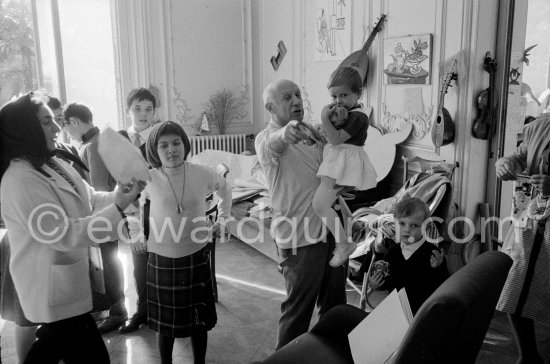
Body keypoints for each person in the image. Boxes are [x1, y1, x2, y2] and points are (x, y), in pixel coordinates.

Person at [0, 92, 144, 363]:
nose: (57, 127)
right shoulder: (20, 179)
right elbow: (63, 234)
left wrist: (120, 194)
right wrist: (118, 208)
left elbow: (90, 199)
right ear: (24, 129)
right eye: (46, 122)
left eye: (55, 120)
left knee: (57, 349)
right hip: (49, 288)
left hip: (66, 289)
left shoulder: (51, 163)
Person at [255, 79, 348, 350]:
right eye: (287, 97)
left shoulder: (314, 134)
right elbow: (276, 142)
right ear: (270, 108)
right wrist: (286, 133)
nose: (296, 100)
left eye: (297, 94)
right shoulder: (266, 139)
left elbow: (324, 174)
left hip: (332, 231)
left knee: (334, 306)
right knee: (298, 312)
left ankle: (330, 354)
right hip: (300, 236)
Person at [135, 121, 231, 364]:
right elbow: (129, 204)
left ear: (185, 144)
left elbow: (225, 188)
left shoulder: (201, 172)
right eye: (164, 145)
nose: (171, 150)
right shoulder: (148, 178)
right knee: (164, 325)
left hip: (196, 255)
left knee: (198, 320)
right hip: (161, 258)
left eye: (176, 143)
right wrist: (136, 232)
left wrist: (224, 218)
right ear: (154, 151)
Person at [62, 101, 129, 334]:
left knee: (109, 262)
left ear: (74, 122)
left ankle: (118, 310)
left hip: (103, 214)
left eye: (66, 126)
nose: (66, 132)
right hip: (102, 214)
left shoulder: (93, 145)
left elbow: (98, 185)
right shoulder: (93, 142)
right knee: (108, 261)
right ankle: (115, 307)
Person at [495, 113, 550, 364]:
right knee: (516, 282)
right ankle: (527, 355)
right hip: (533, 220)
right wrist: (505, 164)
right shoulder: (539, 126)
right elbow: (519, 158)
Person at [313, 66, 378, 267]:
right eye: (333, 96)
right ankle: (352, 225)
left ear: (358, 94)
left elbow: (336, 140)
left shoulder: (359, 117)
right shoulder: (346, 113)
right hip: (337, 162)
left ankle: (343, 244)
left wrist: (325, 118)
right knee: (333, 198)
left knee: (320, 205)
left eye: (344, 95)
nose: (338, 101)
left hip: (344, 163)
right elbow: (329, 137)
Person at [118, 87, 158, 334]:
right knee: (139, 261)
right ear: (128, 110)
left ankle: (161, 310)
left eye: (148, 109)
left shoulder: (160, 138)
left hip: (158, 208)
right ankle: (142, 311)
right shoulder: (121, 140)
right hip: (133, 210)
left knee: (160, 261)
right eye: (137, 108)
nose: (143, 114)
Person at [369, 197, 448, 315]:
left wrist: (437, 268)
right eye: (402, 223)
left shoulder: (433, 254)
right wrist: (375, 284)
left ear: (425, 227)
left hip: (422, 315)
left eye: (414, 225)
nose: (406, 230)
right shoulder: (392, 252)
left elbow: (443, 288)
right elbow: (389, 282)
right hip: (396, 313)